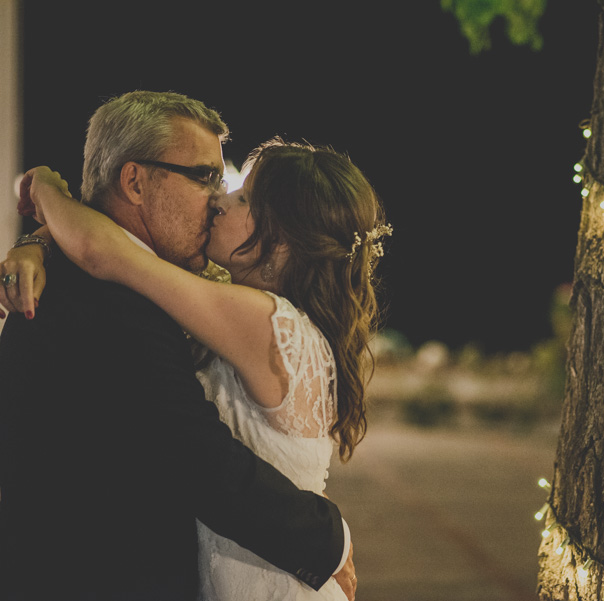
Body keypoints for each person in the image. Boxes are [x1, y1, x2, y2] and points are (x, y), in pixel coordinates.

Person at [0, 92, 361, 601]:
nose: (218, 198)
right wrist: (332, 538)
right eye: (205, 176)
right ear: (135, 181)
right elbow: (201, 464)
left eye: (228, 185)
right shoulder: (111, 304)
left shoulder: (183, 296)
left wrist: (43, 212)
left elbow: (102, 248)